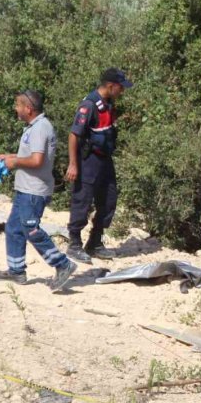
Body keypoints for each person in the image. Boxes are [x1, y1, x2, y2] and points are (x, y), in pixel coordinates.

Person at [0, 90, 78, 290]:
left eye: (18, 105)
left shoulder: (40, 128)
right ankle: (16, 271)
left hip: (34, 191)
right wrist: (10, 156)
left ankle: (63, 264)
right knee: (13, 229)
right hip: (25, 189)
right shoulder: (34, 127)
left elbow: (37, 160)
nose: (16, 109)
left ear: (28, 109)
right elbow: (32, 154)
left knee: (31, 230)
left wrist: (14, 163)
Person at [65, 68, 132, 263]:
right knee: (82, 200)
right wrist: (73, 164)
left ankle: (95, 243)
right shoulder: (89, 105)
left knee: (109, 199)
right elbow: (74, 135)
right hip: (88, 161)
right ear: (110, 86)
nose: (122, 91)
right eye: (120, 87)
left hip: (105, 160)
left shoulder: (109, 104)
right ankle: (75, 244)